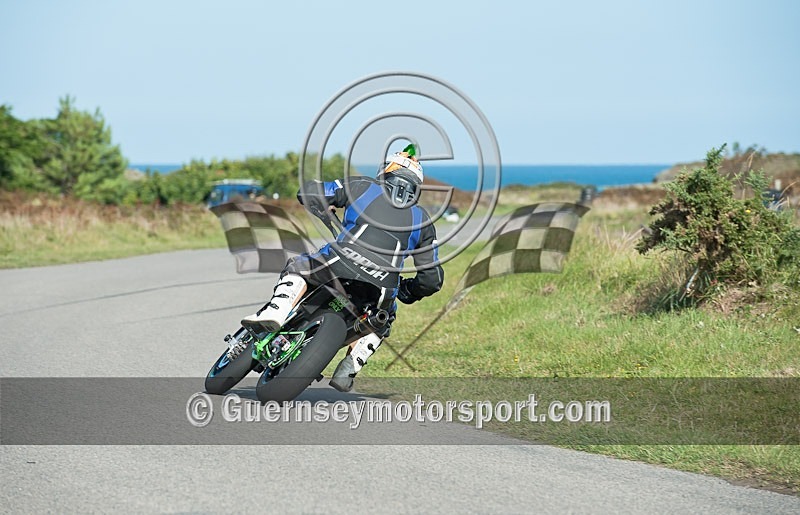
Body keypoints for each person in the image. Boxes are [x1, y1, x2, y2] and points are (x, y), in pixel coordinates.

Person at [242, 145, 444, 392]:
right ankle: (350, 366)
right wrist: (408, 291)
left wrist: (316, 201)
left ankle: (277, 310)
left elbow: (312, 191)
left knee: (300, 266)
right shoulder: (423, 220)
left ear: (386, 171)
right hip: (383, 286)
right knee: (384, 318)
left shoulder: (363, 186)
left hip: (342, 260)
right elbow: (431, 280)